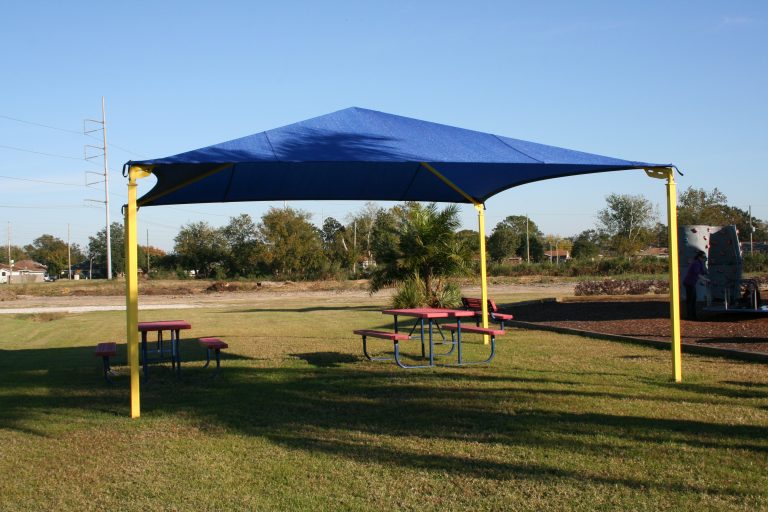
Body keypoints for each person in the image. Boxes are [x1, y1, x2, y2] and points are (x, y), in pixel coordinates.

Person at [683, 250, 708, 320]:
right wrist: (705, 280)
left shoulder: (699, 263)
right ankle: (690, 315)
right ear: (699, 257)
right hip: (689, 283)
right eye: (703, 257)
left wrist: (706, 273)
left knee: (693, 299)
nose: (704, 259)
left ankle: (692, 315)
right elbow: (697, 274)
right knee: (691, 300)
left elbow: (702, 272)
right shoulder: (696, 263)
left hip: (691, 283)